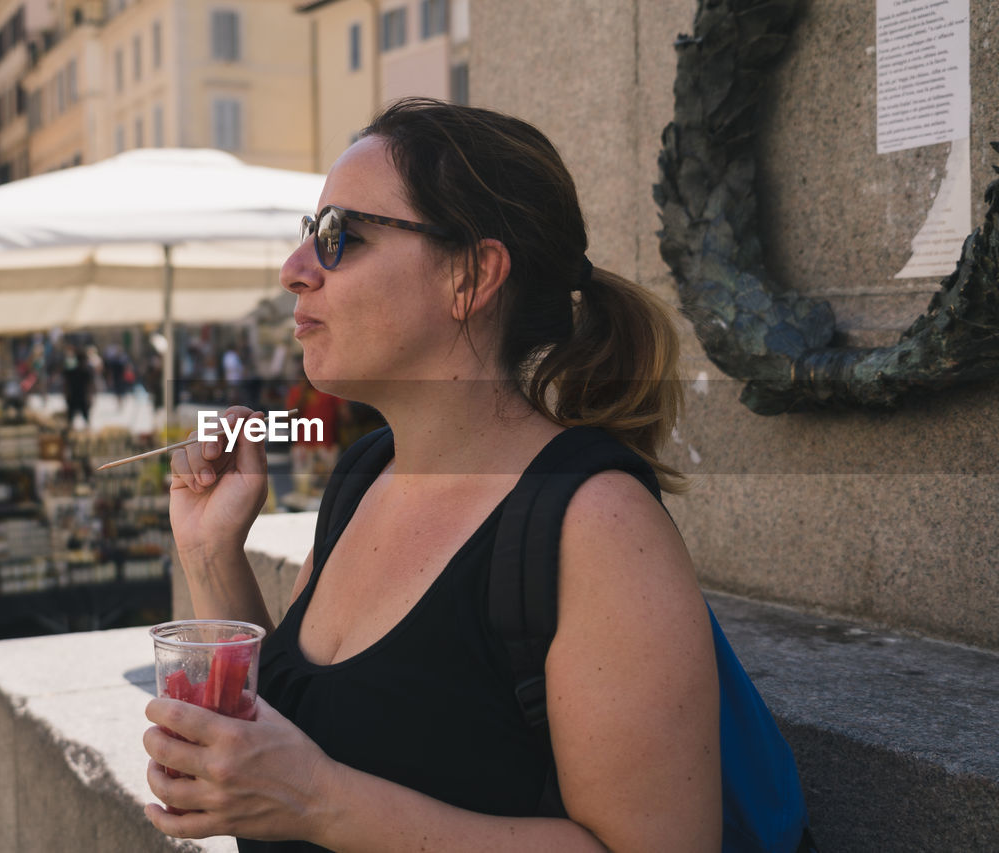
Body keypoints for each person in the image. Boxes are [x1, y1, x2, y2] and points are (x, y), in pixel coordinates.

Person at [146, 99, 800, 851]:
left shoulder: (596, 524)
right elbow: (291, 738)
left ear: (474, 274)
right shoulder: (364, 476)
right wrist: (209, 551)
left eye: (338, 237)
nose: (295, 271)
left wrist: (321, 803)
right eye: (306, 235)